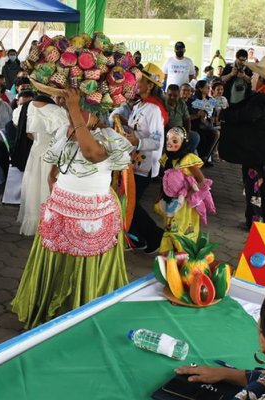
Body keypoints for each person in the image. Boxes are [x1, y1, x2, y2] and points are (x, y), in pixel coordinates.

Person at [11, 87, 133, 329]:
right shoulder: (68, 130)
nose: (68, 113)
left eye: (73, 109)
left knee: (82, 264)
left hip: (92, 215)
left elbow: (91, 153)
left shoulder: (109, 136)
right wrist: (53, 174)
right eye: (67, 109)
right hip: (62, 207)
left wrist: (76, 110)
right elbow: (58, 157)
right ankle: (49, 309)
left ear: (94, 111)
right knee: (57, 262)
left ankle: (79, 314)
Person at [220, 56, 265, 229]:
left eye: (255, 75)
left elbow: (245, 116)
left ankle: (254, 223)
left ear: (262, 78)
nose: (252, 79)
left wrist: (225, 114)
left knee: (255, 188)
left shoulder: (262, 98)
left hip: (258, 154)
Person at [124, 63, 167, 253]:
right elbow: (136, 130)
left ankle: (155, 236)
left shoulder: (154, 109)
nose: (135, 82)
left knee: (130, 205)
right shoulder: (140, 105)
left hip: (145, 165)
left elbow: (157, 141)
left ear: (150, 85)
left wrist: (137, 141)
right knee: (128, 204)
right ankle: (139, 238)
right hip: (133, 162)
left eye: (140, 80)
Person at [16, 94, 68, 236]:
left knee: (35, 187)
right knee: (47, 188)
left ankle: (36, 224)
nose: (63, 101)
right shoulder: (57, 111)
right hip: (52, 155)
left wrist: (40, 139)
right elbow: (66, 135)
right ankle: (48, 224)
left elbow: (28, 133)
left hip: (36, 153)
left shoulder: (29, 106)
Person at [155, 127, 214, 253]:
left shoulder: (188, 159)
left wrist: (186, 195)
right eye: (168, 140)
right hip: (171, 201)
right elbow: (165, 180)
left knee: (182, 230)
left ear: (184, 143)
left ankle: (186, 256)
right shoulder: (167, 158)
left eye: (175, 141)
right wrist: (161, 195)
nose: (170, 143)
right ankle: (169, 256)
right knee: (169, 227)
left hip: (185, 205)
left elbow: (201, 180)